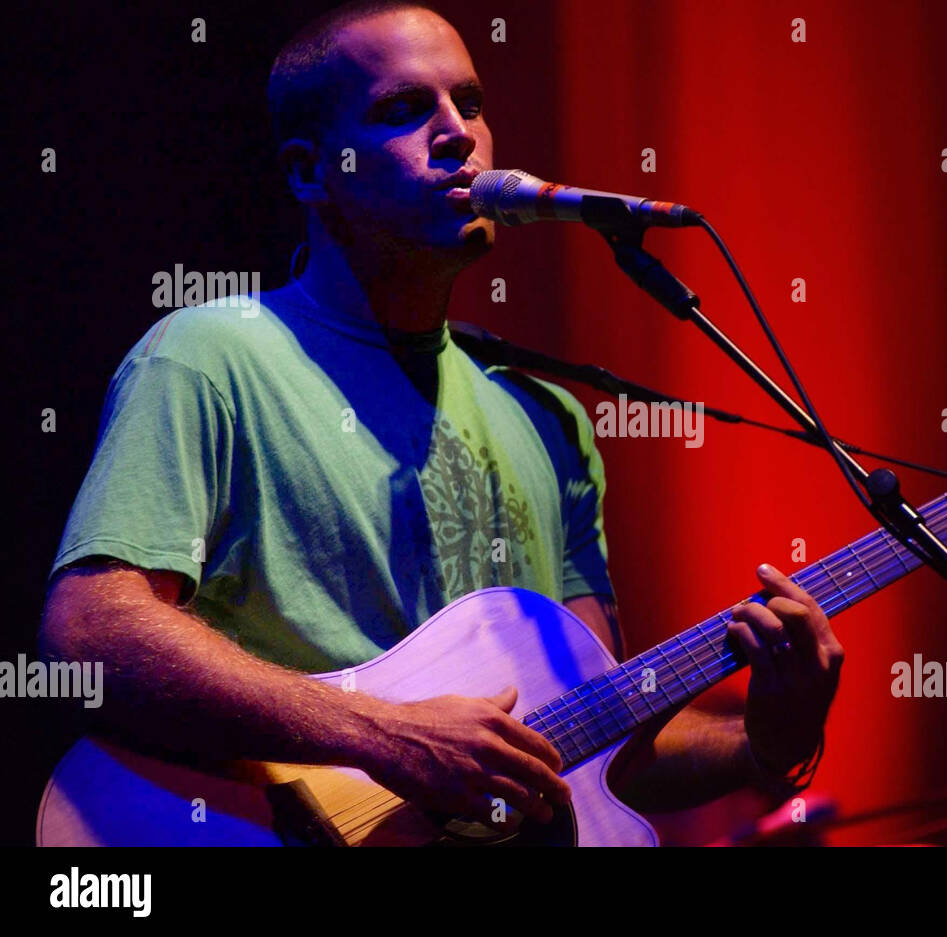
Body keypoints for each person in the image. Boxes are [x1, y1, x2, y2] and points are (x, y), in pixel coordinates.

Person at [39, 0, 843, 832]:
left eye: (471, 102)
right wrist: (382, 734)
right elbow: (92, 629)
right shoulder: (209, 356)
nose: (458, 132)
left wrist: (769, 741)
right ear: (311, 171)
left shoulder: (548, 420)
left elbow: (596, 752)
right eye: (403, 110)